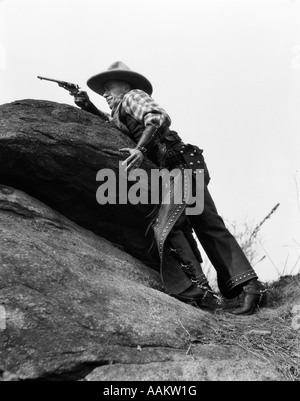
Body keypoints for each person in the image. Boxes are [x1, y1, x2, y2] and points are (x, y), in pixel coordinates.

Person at [74, 61, 266, 315]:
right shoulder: (121, 112)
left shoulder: (133, 96)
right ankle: (240, 288)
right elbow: (114, 126)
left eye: (109, 87)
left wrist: (140, 150)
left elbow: (158, 118)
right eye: (103, 91)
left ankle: (218, 290)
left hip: (180, 165)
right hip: (178, 169)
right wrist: (88, 106)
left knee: (179, 224)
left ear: (126, 85)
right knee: (199, 224)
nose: (106, 94)